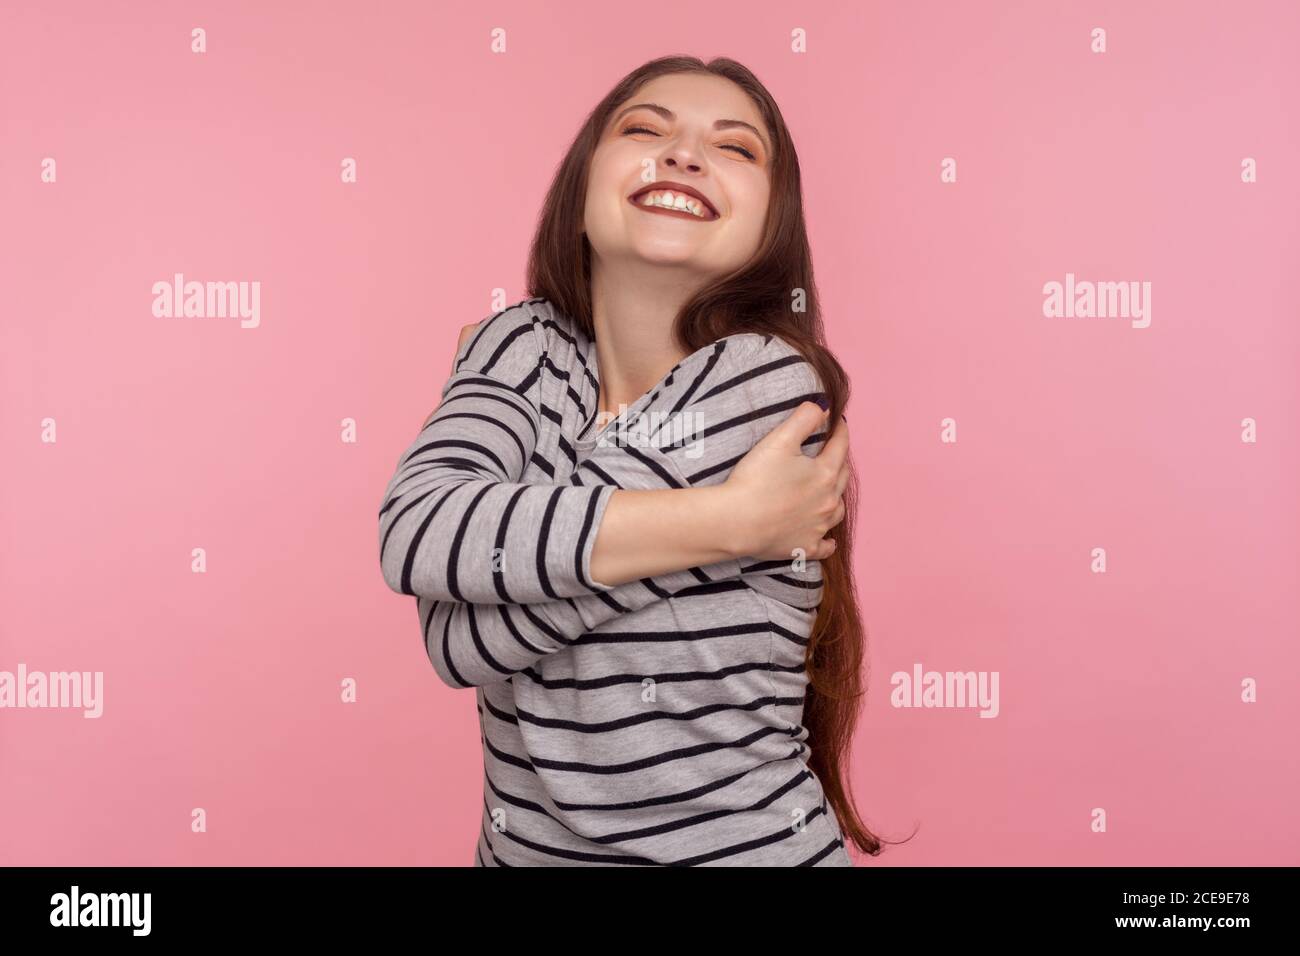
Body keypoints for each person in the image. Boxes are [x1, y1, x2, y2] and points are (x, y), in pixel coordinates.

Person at [379, 55, 883, 866]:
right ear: (581, 190)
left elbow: (462, 643)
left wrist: (496, 561)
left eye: (736, 148)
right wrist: (730, 522)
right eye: (645, 129)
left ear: (773, 225)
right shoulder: (519, 345)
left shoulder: (767, 383)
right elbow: (416, 531)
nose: (682, 155)